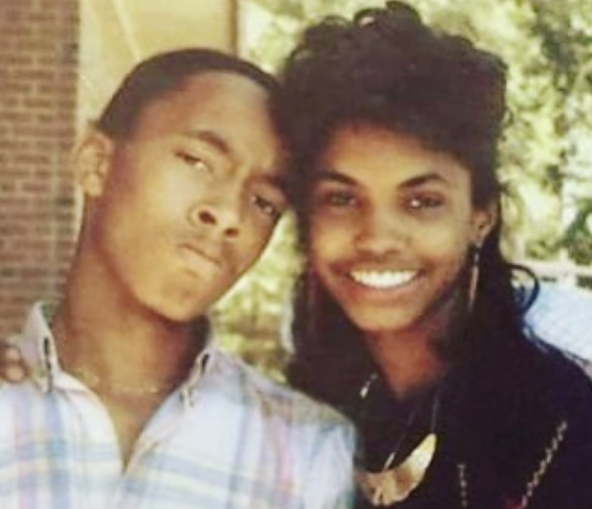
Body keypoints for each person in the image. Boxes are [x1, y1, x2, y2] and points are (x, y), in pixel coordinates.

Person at [0, 48, 355, 508]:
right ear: (96, 163)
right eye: (197, 161)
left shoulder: (307, 452)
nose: (228, 214)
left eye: (264, 202)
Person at [276, 2, 592, 508]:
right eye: (342, 199)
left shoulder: (559, 422)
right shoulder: (309, 409)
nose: (378, 238)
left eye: (421, 202)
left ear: (480, 215)